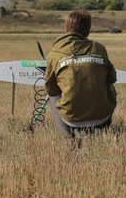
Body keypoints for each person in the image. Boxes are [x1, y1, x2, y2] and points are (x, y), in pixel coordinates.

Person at [45, 9, 117, 139]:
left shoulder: (54, 54)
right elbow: (112, 78)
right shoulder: (99, 48)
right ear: (88, 30)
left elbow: (51, 88)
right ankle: (98, 129)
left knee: (52, 93)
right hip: (102, 119)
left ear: (66, 28)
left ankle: (66, 135)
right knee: (108, 85)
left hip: (71, 119)